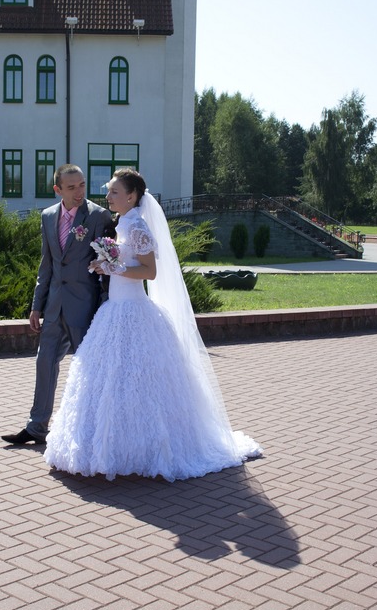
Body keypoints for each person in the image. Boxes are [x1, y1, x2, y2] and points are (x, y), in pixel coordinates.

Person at [43, 168, 262, 481]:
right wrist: (104, 265)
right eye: (109, 191)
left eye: (114, 192)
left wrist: (113, 267)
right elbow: (124, 264)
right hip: (113, 311)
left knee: (140, 380)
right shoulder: (121, 223)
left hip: (134, 310)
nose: (108, 196)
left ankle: (148, 448)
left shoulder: (137, 227)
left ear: (131, 196)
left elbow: (149, 272)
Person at [2, 164, 112, 445]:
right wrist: (36, 305)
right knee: (44, 362)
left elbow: (107, 267)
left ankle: (93, 430)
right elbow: (47, 264)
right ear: (57, 189)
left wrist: (105, 308)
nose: (79, 192)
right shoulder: (48, 216)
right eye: (71, 187)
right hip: (54, 307)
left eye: (82, 185)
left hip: (85, 308)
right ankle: (36, 427)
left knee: (88, 370)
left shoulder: (98, 216)